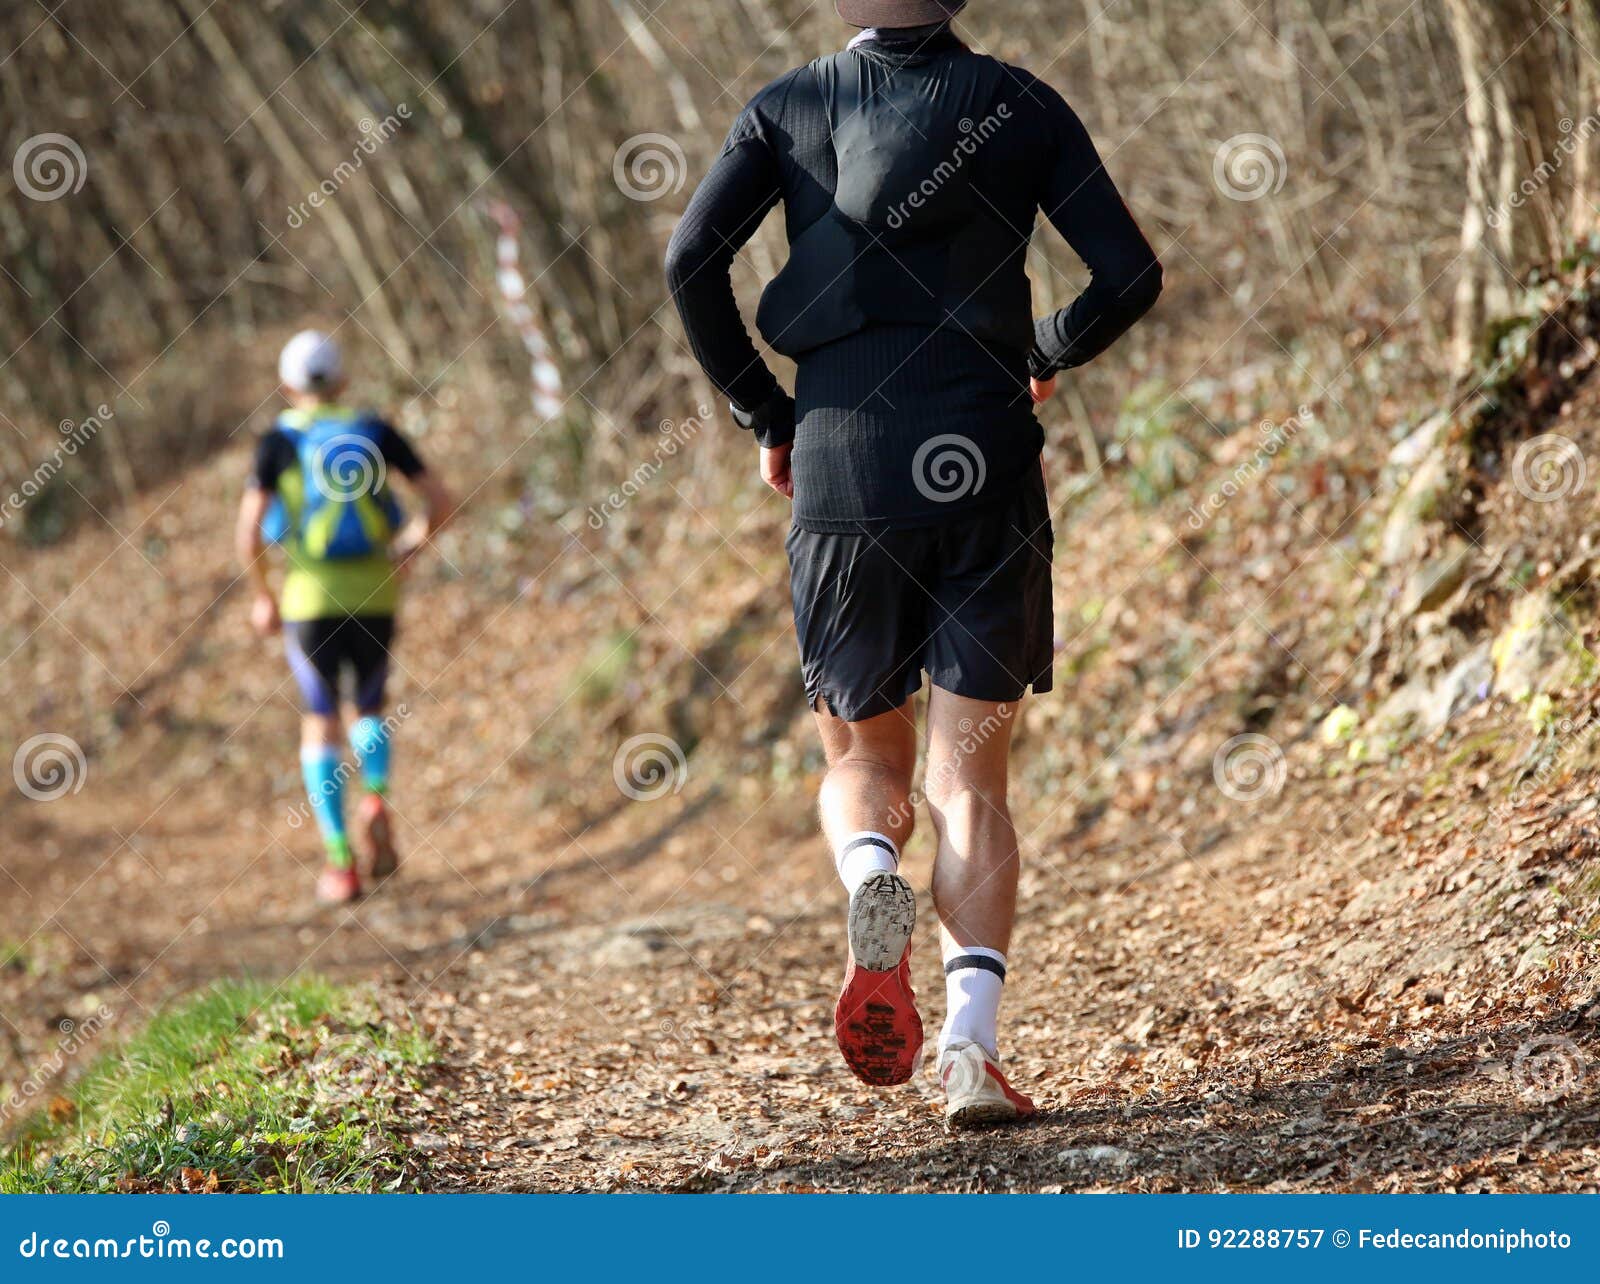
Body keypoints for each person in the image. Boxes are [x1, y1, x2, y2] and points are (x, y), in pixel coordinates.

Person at [665, 0, 1161, 1126]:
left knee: (862, 762)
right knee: (968, 782)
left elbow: (690, 259)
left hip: (843, 458)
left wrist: (764, 415)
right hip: (982, 448)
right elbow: (1128, 274)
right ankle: (971, 1054)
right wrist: (1039, 355)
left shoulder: (786, 106)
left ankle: (868, 877)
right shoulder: (1021, 105)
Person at [235, 330, 453, 904]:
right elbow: (441, 499)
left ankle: (340, 863)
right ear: (343, 382)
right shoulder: (375, 430)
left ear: (286, 386)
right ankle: (376, 794)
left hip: (308, 599)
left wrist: (263, 596)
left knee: (321, 717)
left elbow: (248, 531)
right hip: (377, 593)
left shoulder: (277, 441)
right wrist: (409, 548)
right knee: (371, 703)